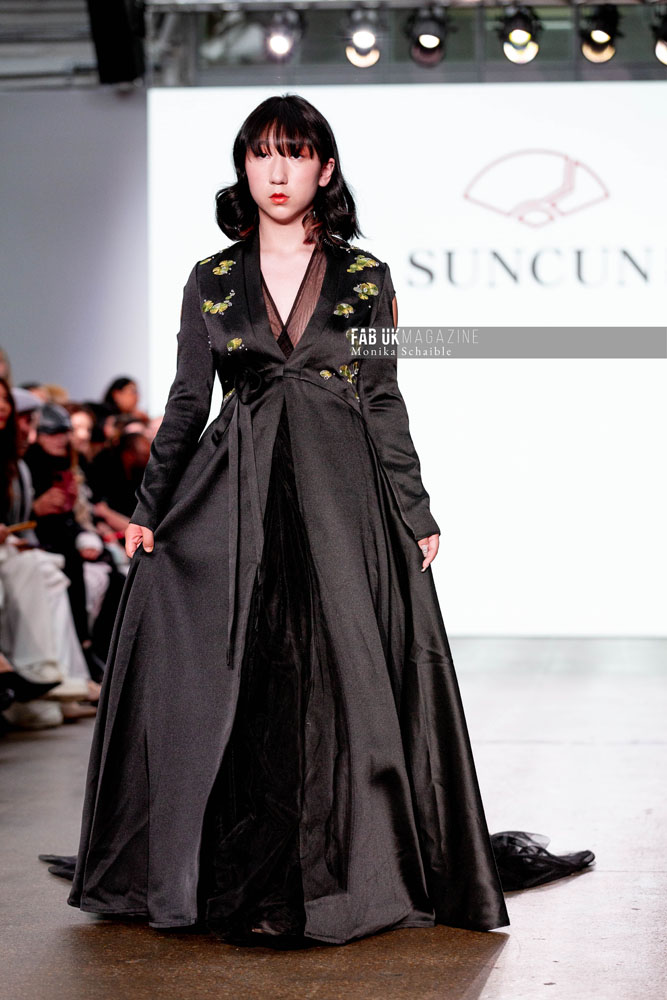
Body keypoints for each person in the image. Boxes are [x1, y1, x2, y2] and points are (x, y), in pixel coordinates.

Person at [47, 94, 594, 946]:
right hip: (236, 494)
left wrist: (413, 508)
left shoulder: (365, 277)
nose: (277, 170)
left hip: (342, 496)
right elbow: (188, 401)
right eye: (261, 153)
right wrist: (150, 507)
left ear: (324, 169)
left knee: (346, 676)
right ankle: (240, 863)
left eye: (295, 153)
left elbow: (382, 398)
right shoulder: (211, 278)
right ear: (242, 167)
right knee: (245, 676)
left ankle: (351, 862)